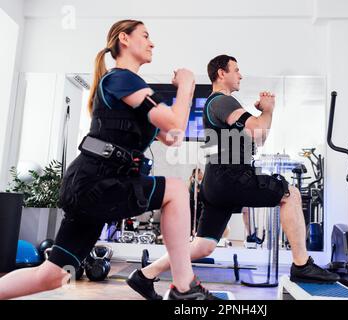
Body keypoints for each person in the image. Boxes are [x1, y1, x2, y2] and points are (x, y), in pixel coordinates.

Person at [0, 20, 217, 300]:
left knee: (53, 275)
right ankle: (184, 287)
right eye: (146, 36)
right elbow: (176, 122)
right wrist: (187, 84)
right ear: (124, 39)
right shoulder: (121, 79)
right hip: (96, 182)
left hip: (96, 185)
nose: (152, 43)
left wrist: (181, 96)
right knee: (175, 190)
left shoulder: (133, 89)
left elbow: (173, 136)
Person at [136, 55, 339, 298]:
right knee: (290, 193)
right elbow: (256, 131)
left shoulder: (222, 104)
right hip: (231, 177)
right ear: (222, 73)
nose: (240, 75)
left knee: (204, 245)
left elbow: (260, 138)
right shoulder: (222, 101)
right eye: (236, 70)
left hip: (217, 181)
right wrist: (268, 109)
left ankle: (144, 275)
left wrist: (267, 111)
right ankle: (302, 264)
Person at [189, 168, 204, 236]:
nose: (202, 174)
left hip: (198, 205)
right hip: (194, 206)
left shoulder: (198, 183)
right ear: (196, 174)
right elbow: (198, 193)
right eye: (200, 173)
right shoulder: (194, 183)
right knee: (194, 221)